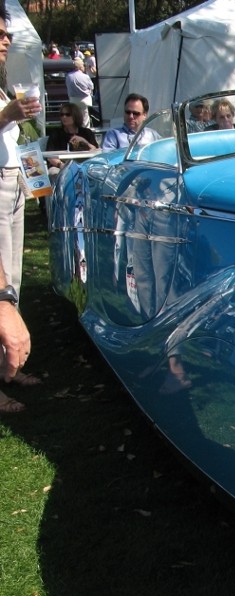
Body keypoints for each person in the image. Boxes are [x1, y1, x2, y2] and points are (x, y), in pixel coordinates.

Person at [0, 5, 39, 413]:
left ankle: (9, 361)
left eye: (7, 34)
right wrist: (7, 114)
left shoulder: (1, 82)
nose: (6, 41)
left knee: (12, 279)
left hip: (12, 183)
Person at [45, 103, 97, 175]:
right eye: (62, 115)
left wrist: (84, 141)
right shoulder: (56, 134)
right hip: (60, 166)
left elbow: (96, 151)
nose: (64, 117)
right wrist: (61, 165)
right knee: (54, 172)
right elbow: (49, 156)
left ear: (75, 115)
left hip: (84, 165)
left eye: (67, 114)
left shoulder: (86, 133)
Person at [64, 58, 94, 127]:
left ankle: (76, 129)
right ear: (80, 67)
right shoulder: (85, 76)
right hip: (84, 99)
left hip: (73, 99)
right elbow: (92, 86)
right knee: (85, 117)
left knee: (75, 116)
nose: (84, 67)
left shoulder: (68, 76)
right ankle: (86, 131)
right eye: (83, 66)